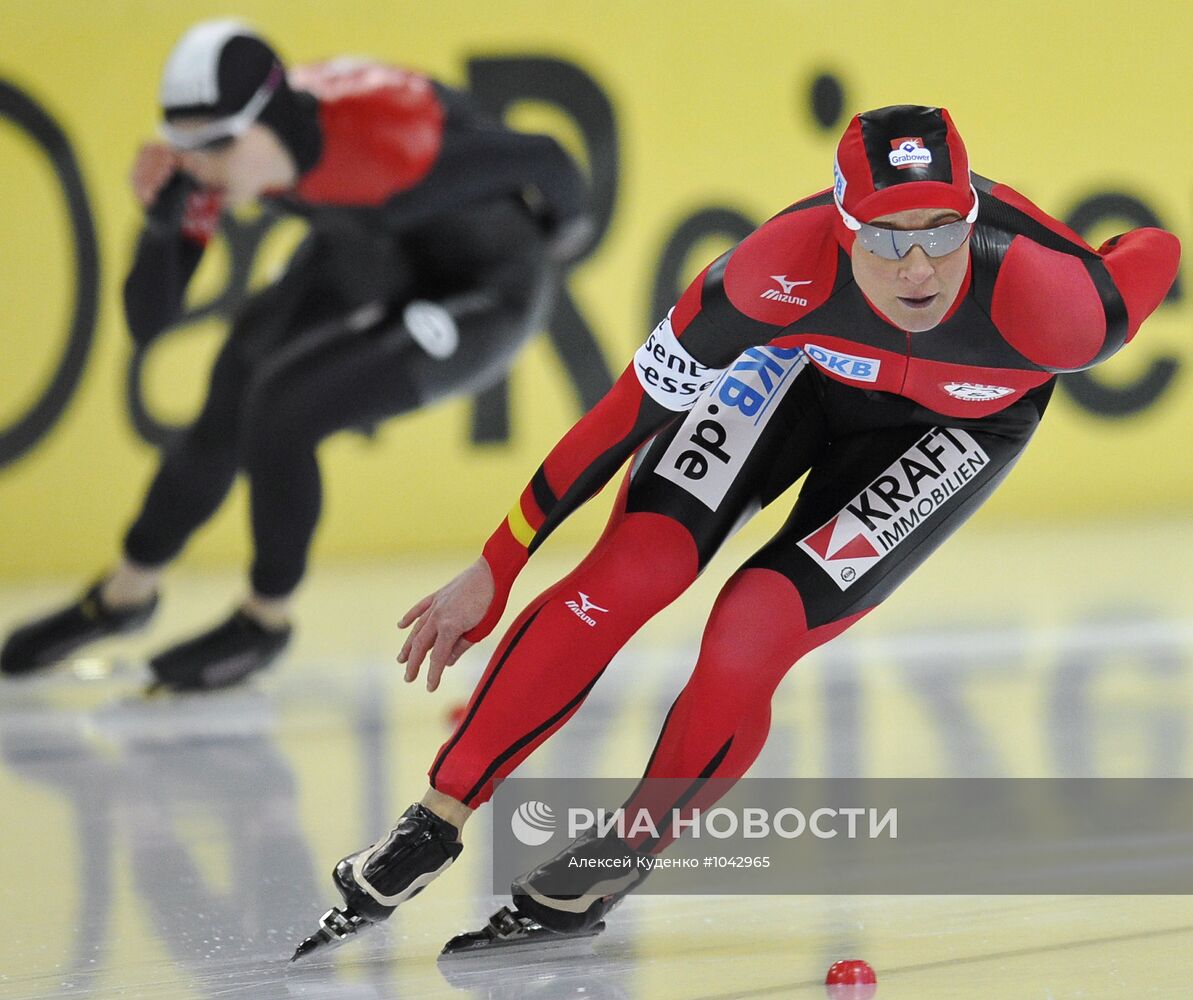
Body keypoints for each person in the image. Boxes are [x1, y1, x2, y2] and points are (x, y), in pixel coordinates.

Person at [291, 104, 1180, 958]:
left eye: (941, 232)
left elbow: (1154, 250)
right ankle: (431, 824)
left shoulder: (1064, 309)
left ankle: (612, 862)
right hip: (796, 367)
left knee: (752, 627)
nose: (916, 268)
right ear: (836, 226)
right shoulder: (769, 273)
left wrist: (1047, 243)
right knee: (635, 563)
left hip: (958, 428)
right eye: (882, 237)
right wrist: (498, 559)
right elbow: (620, 416)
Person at [1, 19, 592, 691]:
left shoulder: (390, 146)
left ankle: (264, 620)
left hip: (486, 287)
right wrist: (163, 224)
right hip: (372, 247)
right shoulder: (234, 149)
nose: (198, 164)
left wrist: (561, 241)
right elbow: (149, 319)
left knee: (285, 409)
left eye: (212, 145)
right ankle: (125, 595)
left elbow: (547, 158)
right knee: (236, 376)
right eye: (181, 145)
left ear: (263, 125)